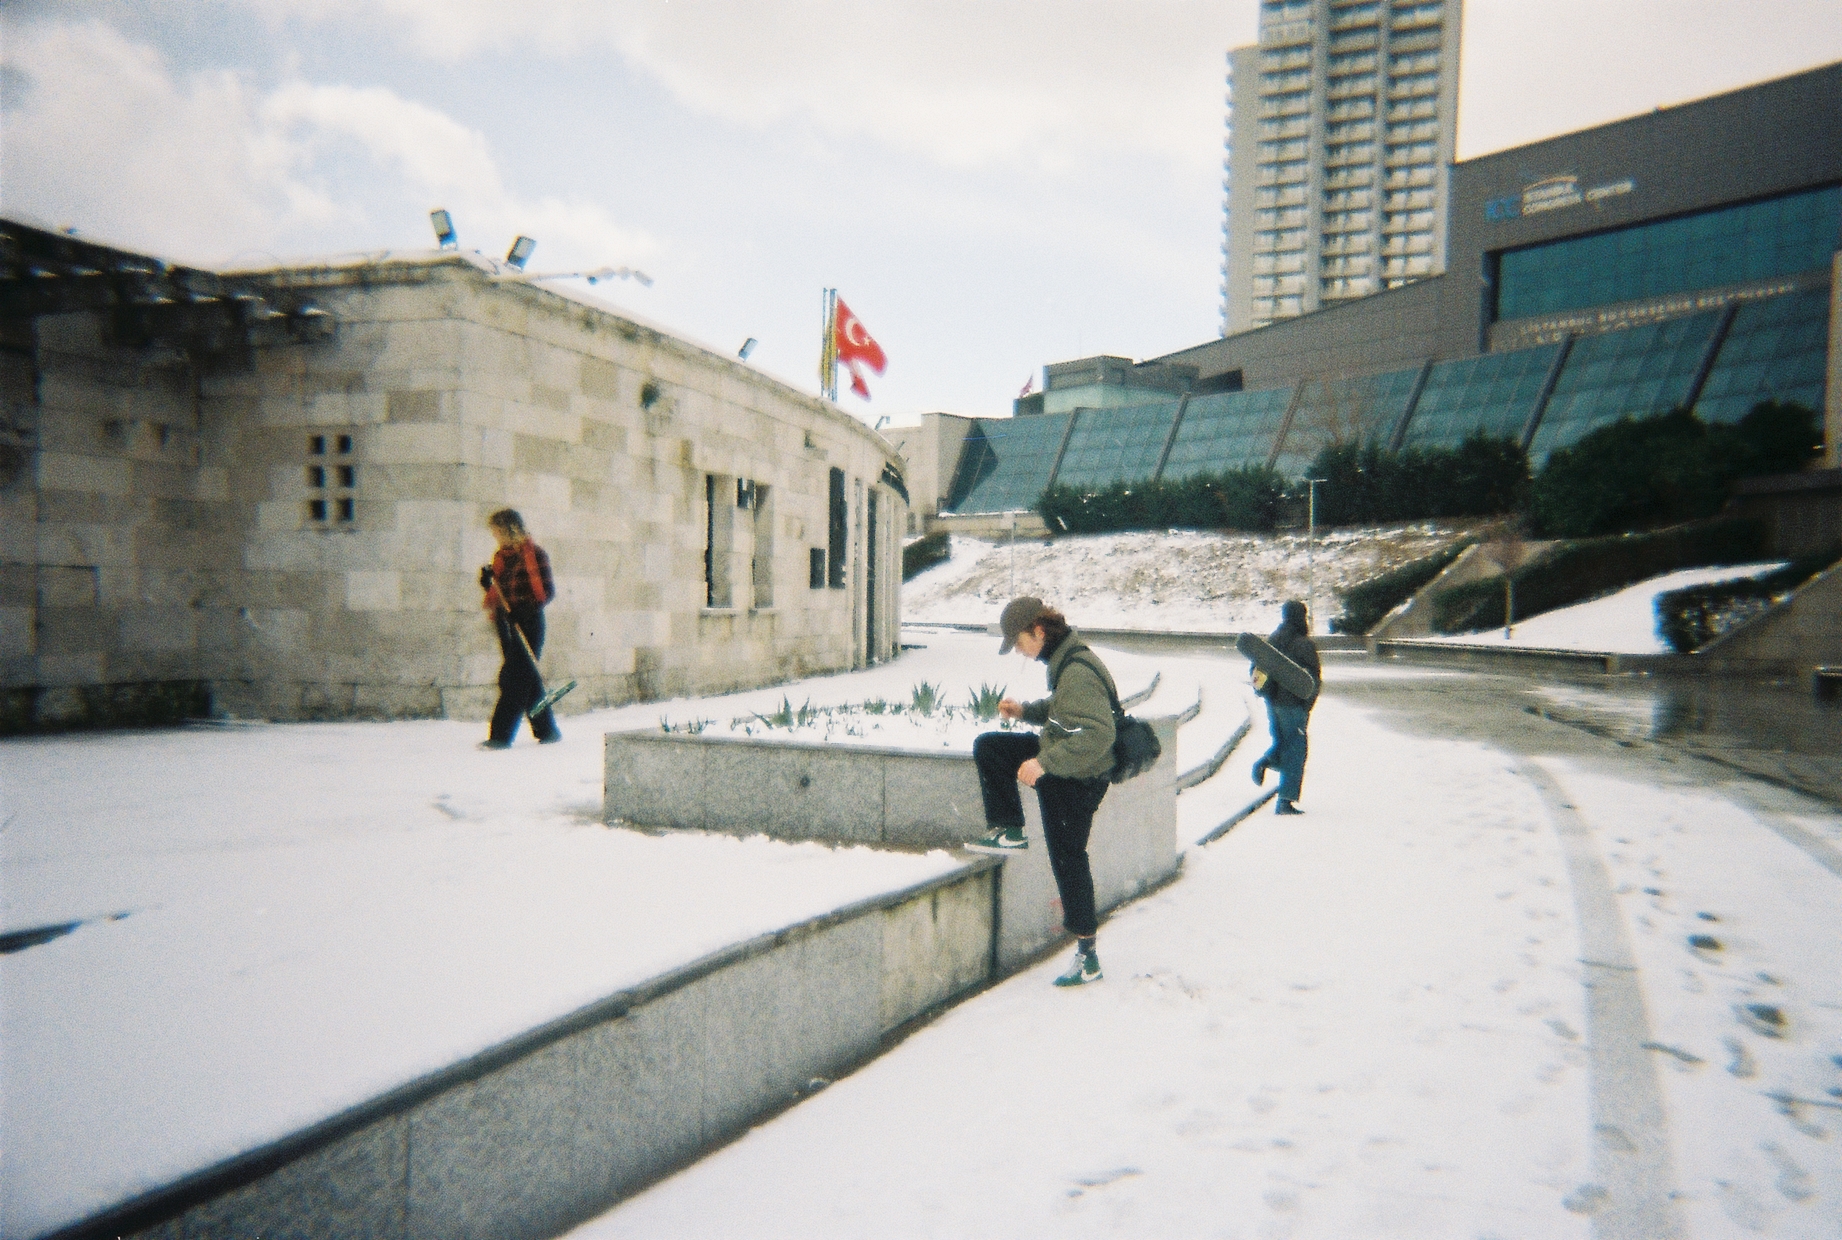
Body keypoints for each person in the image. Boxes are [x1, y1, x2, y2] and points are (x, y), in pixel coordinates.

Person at [972, 597, 1118, 988]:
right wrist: (1026, 712)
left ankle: (1087, 956)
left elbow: (1101, 734)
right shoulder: (1066, 660)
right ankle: (1009, 828)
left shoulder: (1075, 670)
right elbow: (1063, 709)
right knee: (991, 747)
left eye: (1019, 642)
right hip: (1063, 760)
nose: (1019, 651)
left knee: (1068, 859)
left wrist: (1044, 765)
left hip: (1079, 777)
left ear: (1038, 632)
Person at [479, 508, 561, 748]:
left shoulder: (535, 555)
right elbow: (502, 593)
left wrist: (523, 611)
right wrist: (488, 581)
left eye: (496, 531)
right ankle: (547, 730)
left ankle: (500, 736)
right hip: (507, 624)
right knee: (528, 678)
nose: (494, 537)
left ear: (508, 530)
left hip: (529, 623)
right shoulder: (502, 557)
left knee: (513, 679)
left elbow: (546, 592)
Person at [1252, 599, 1320, 814]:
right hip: (1294, 705)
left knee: (1283, 741)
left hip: (1274, 703)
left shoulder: (1273, 639)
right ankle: (1285, 801)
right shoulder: (1303, 643)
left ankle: (1267, 761)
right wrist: (1307, 705)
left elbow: (1258, 668)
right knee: (1296, 749)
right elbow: (1313, 678)